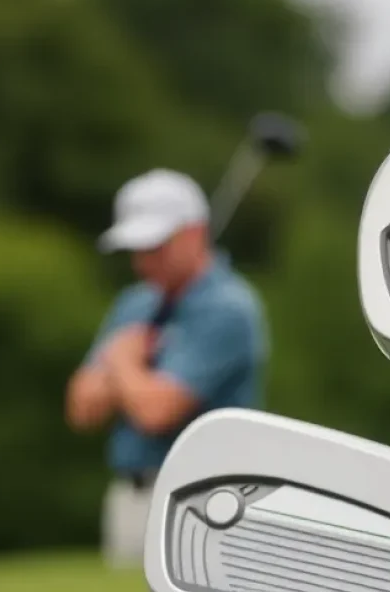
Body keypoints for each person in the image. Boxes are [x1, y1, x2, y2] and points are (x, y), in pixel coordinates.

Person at [65, 168, 269, 567]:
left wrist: (121, 363)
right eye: (136, 249)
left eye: (155, 246)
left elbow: (156, 411)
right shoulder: (135, 304)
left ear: (194, 233)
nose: (143, 262)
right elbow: (82, 407)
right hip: (129, 495)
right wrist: (134, 379)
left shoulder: (230, 309)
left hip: (205, 500)